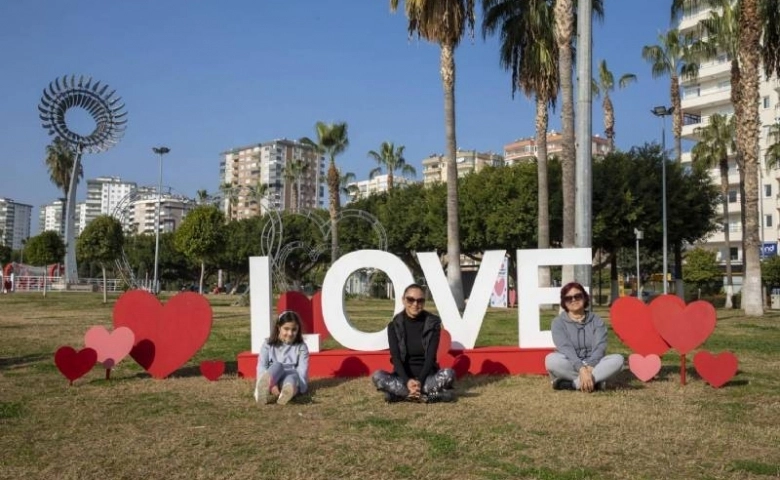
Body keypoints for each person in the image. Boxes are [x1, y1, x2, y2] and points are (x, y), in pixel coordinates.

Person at [371, 283, 456, 403]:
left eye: (420, 300)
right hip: (403, 379)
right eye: (410, 300)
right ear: (403, 300)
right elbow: (395, 358)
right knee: (378, 376)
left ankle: (401, 395)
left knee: (449, 373)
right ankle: (431, 396)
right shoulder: (394, 326)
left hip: (427, 378)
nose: (415, 304)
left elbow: (431, 358)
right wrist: (407, 381)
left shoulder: (433, 324)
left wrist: (420, 381)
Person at [545, 282, 624, 392]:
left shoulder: (596, 320)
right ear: (564, 302)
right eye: (568, 298)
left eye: (577, 296)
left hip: (594, 364)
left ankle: (573, 384)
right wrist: (581, 368)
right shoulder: (558, 322)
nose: (573, 300)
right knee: (551, 360)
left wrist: (590, 366)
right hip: (570, 363)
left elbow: (600, 346)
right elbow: (565, 348)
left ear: (584, 297)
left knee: (618, 359)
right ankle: (596, 382)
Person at [254, 310, 310, 405]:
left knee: (292, 377)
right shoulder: (268, 344)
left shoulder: (301, 347)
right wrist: (272, 385)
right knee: (278, 365)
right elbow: (261, 365)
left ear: (298, 329)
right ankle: (262, 389)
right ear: (279, 328)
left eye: (294, 329)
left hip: (290, 376)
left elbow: (302, 369)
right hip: (273, 376)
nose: (290, 333)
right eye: (286, 329)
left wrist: (300, 387)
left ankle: (287, 393)